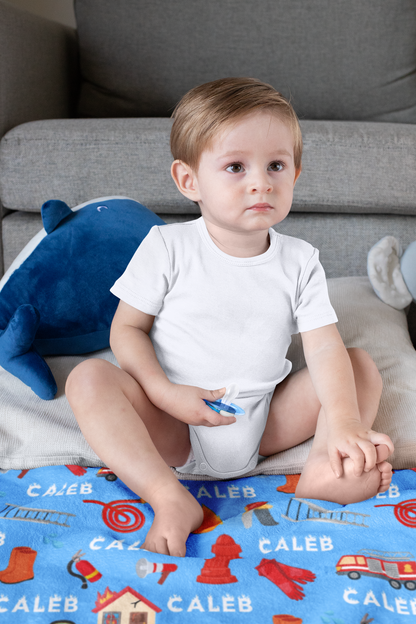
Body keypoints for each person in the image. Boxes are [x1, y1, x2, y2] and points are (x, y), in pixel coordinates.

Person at [66, 77, 394, 558]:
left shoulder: (300, 260)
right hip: (174, 425)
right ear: (188, 180)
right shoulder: (167, 247)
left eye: (276, 165)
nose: (261, 181)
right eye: (236, 167)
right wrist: (166, 394)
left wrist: (344, 421)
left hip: (264, 423)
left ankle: (325, 466)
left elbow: (322, 347)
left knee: (357, 363)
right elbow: (127, 329)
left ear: (295, 175)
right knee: (88, 378)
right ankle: (168, 496)